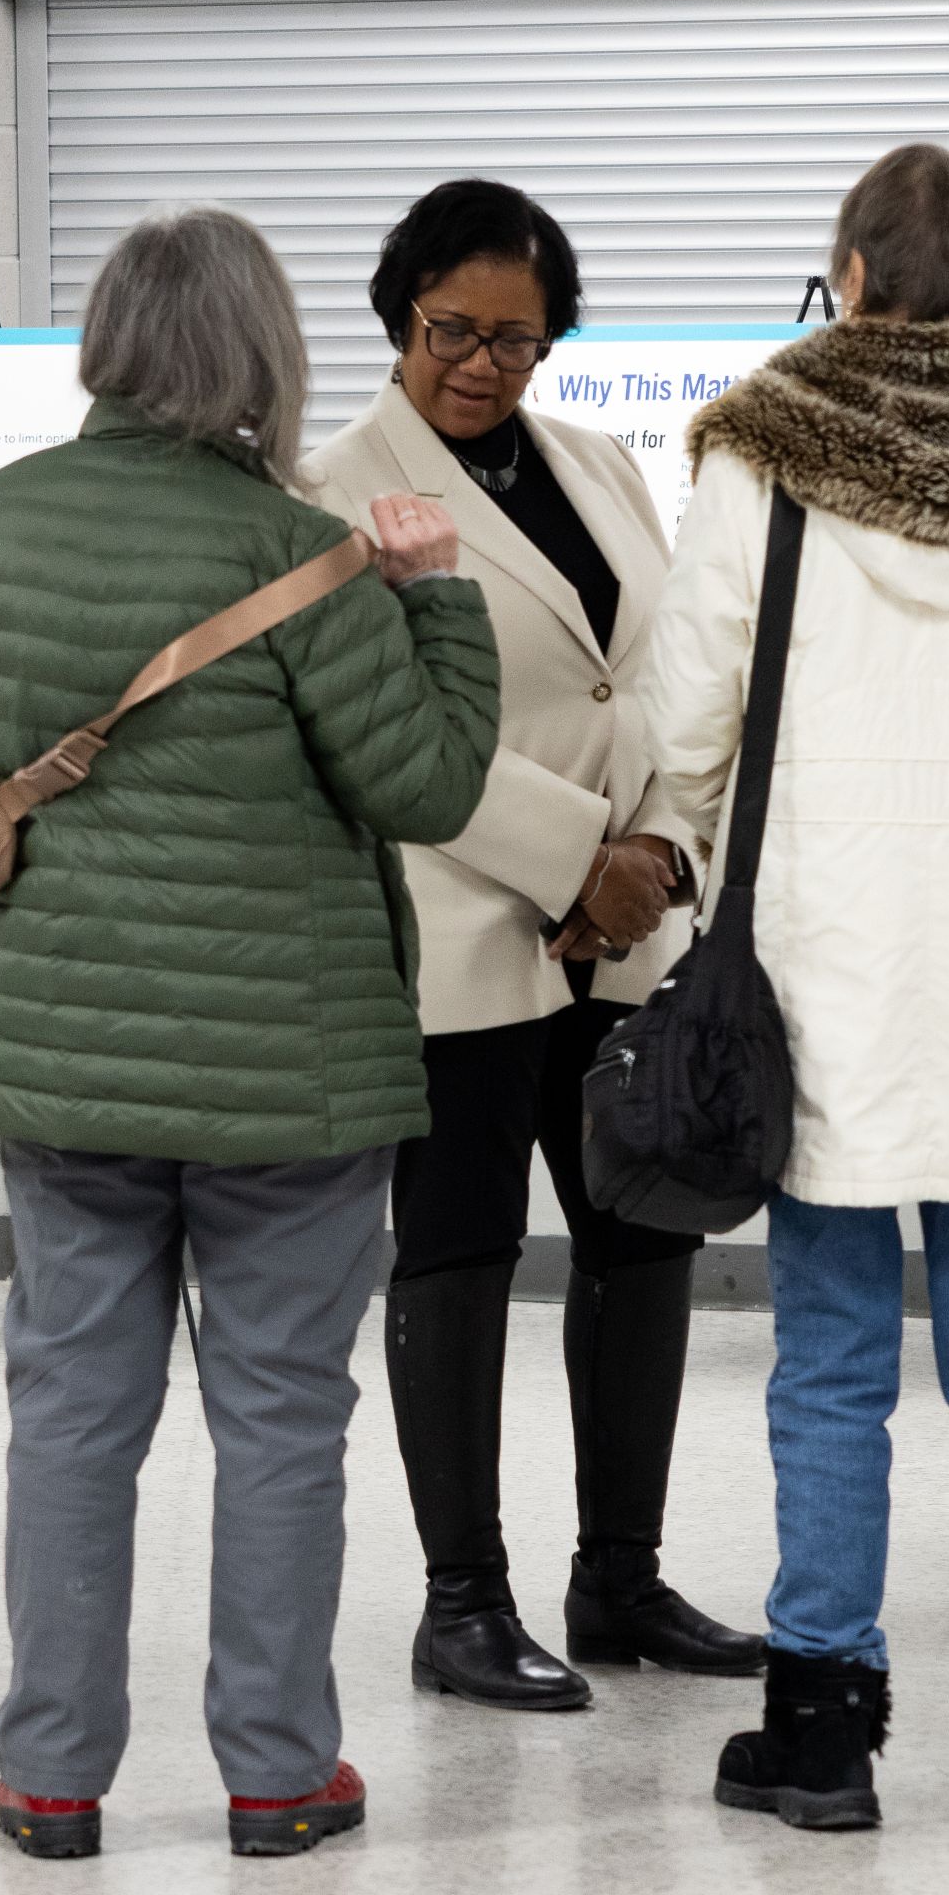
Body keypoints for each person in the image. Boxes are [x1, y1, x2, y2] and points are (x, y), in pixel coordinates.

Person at [0, 203, 500, 1863]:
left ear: (104, 343)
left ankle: (49, 1776)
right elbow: (427, 786)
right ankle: (273, 1768)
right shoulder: (296, 552)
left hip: (69, 1055)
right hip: (284, 1077)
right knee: (279, 1425)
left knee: (72, 1418)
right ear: (263, 356)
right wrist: (436, 603)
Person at [641, 144, 949, 1835]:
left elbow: (695, 706)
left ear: (852, 270)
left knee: (833, 1347)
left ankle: (826, 1722)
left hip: (822, 936)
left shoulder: (764, 451)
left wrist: (711, 846)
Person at [304, 178, 766, 1710]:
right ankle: (461, 1604)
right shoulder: (336, 493)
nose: (486, 363)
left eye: (520, 333)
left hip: (617, 923)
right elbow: (386, 734)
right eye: (454, 330)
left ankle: (619, 1581)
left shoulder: (603, 464)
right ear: (399, 317)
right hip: (463, 926)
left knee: (642, 1239)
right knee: (461, 1253)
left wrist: (653, 855)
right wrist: (579, 860)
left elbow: (661, 682)